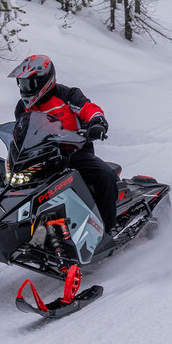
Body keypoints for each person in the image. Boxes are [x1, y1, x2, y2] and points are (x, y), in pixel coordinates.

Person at [9, 54, 119, 228]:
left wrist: (97, 122)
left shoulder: (67, 95)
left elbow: (88, 108)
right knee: (11, 183)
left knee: (104, 175)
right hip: (41, 157)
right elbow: (23, 132)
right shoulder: (22, 107)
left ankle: (108, 228)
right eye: (22, 84)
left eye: (30, 83)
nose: (25, 88)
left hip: (74, 152)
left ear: (45, 80)